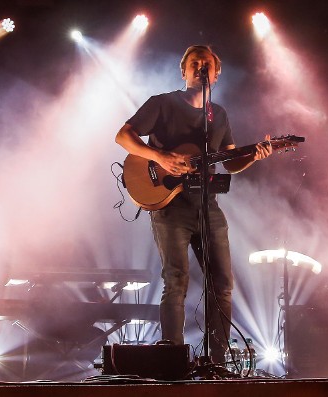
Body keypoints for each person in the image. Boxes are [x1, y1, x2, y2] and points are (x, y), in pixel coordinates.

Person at [115, 45, 272, 363]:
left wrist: (254, 154)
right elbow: (123, 136)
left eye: (207, 64)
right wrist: (159, 156)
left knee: (222, 285)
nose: (201, 68)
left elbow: (230, 162)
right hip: (170, 206)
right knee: (176, 280)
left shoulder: (220, 114)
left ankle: (217, 361)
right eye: (195, 63)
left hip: (208, 206)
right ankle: (172, 359)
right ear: (184, 71)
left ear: (216, 73)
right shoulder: (162, 104)